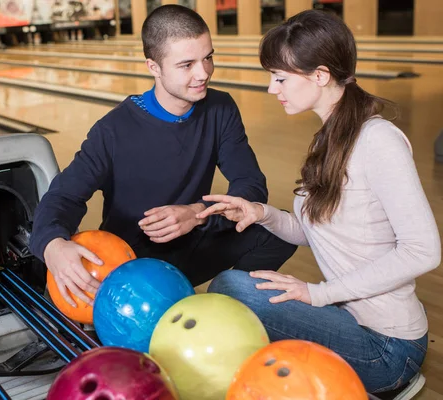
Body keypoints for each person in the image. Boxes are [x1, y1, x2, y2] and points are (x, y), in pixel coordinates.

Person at [197, 10, 440, 399]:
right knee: (235, 288)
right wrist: (262, 213)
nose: (271, 88)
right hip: (351, 319)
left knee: (232, 288)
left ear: (320, 75)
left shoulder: (377, 141)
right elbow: (316, 231)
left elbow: (424, 251)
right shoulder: (329, 138)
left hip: (387, 347)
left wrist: (317, 294)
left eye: (280, 77)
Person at [29, 5, 297, 308]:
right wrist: (52, 244)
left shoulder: (220, 108)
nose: (203, 73)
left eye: (208, 57)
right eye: (187, 65)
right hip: (132, 260)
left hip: (192, 241)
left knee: (276, 229)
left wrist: (196, 214)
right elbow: (64, 196)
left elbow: (250, 186)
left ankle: (230, 306)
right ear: (153, 67)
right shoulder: (113, 130)